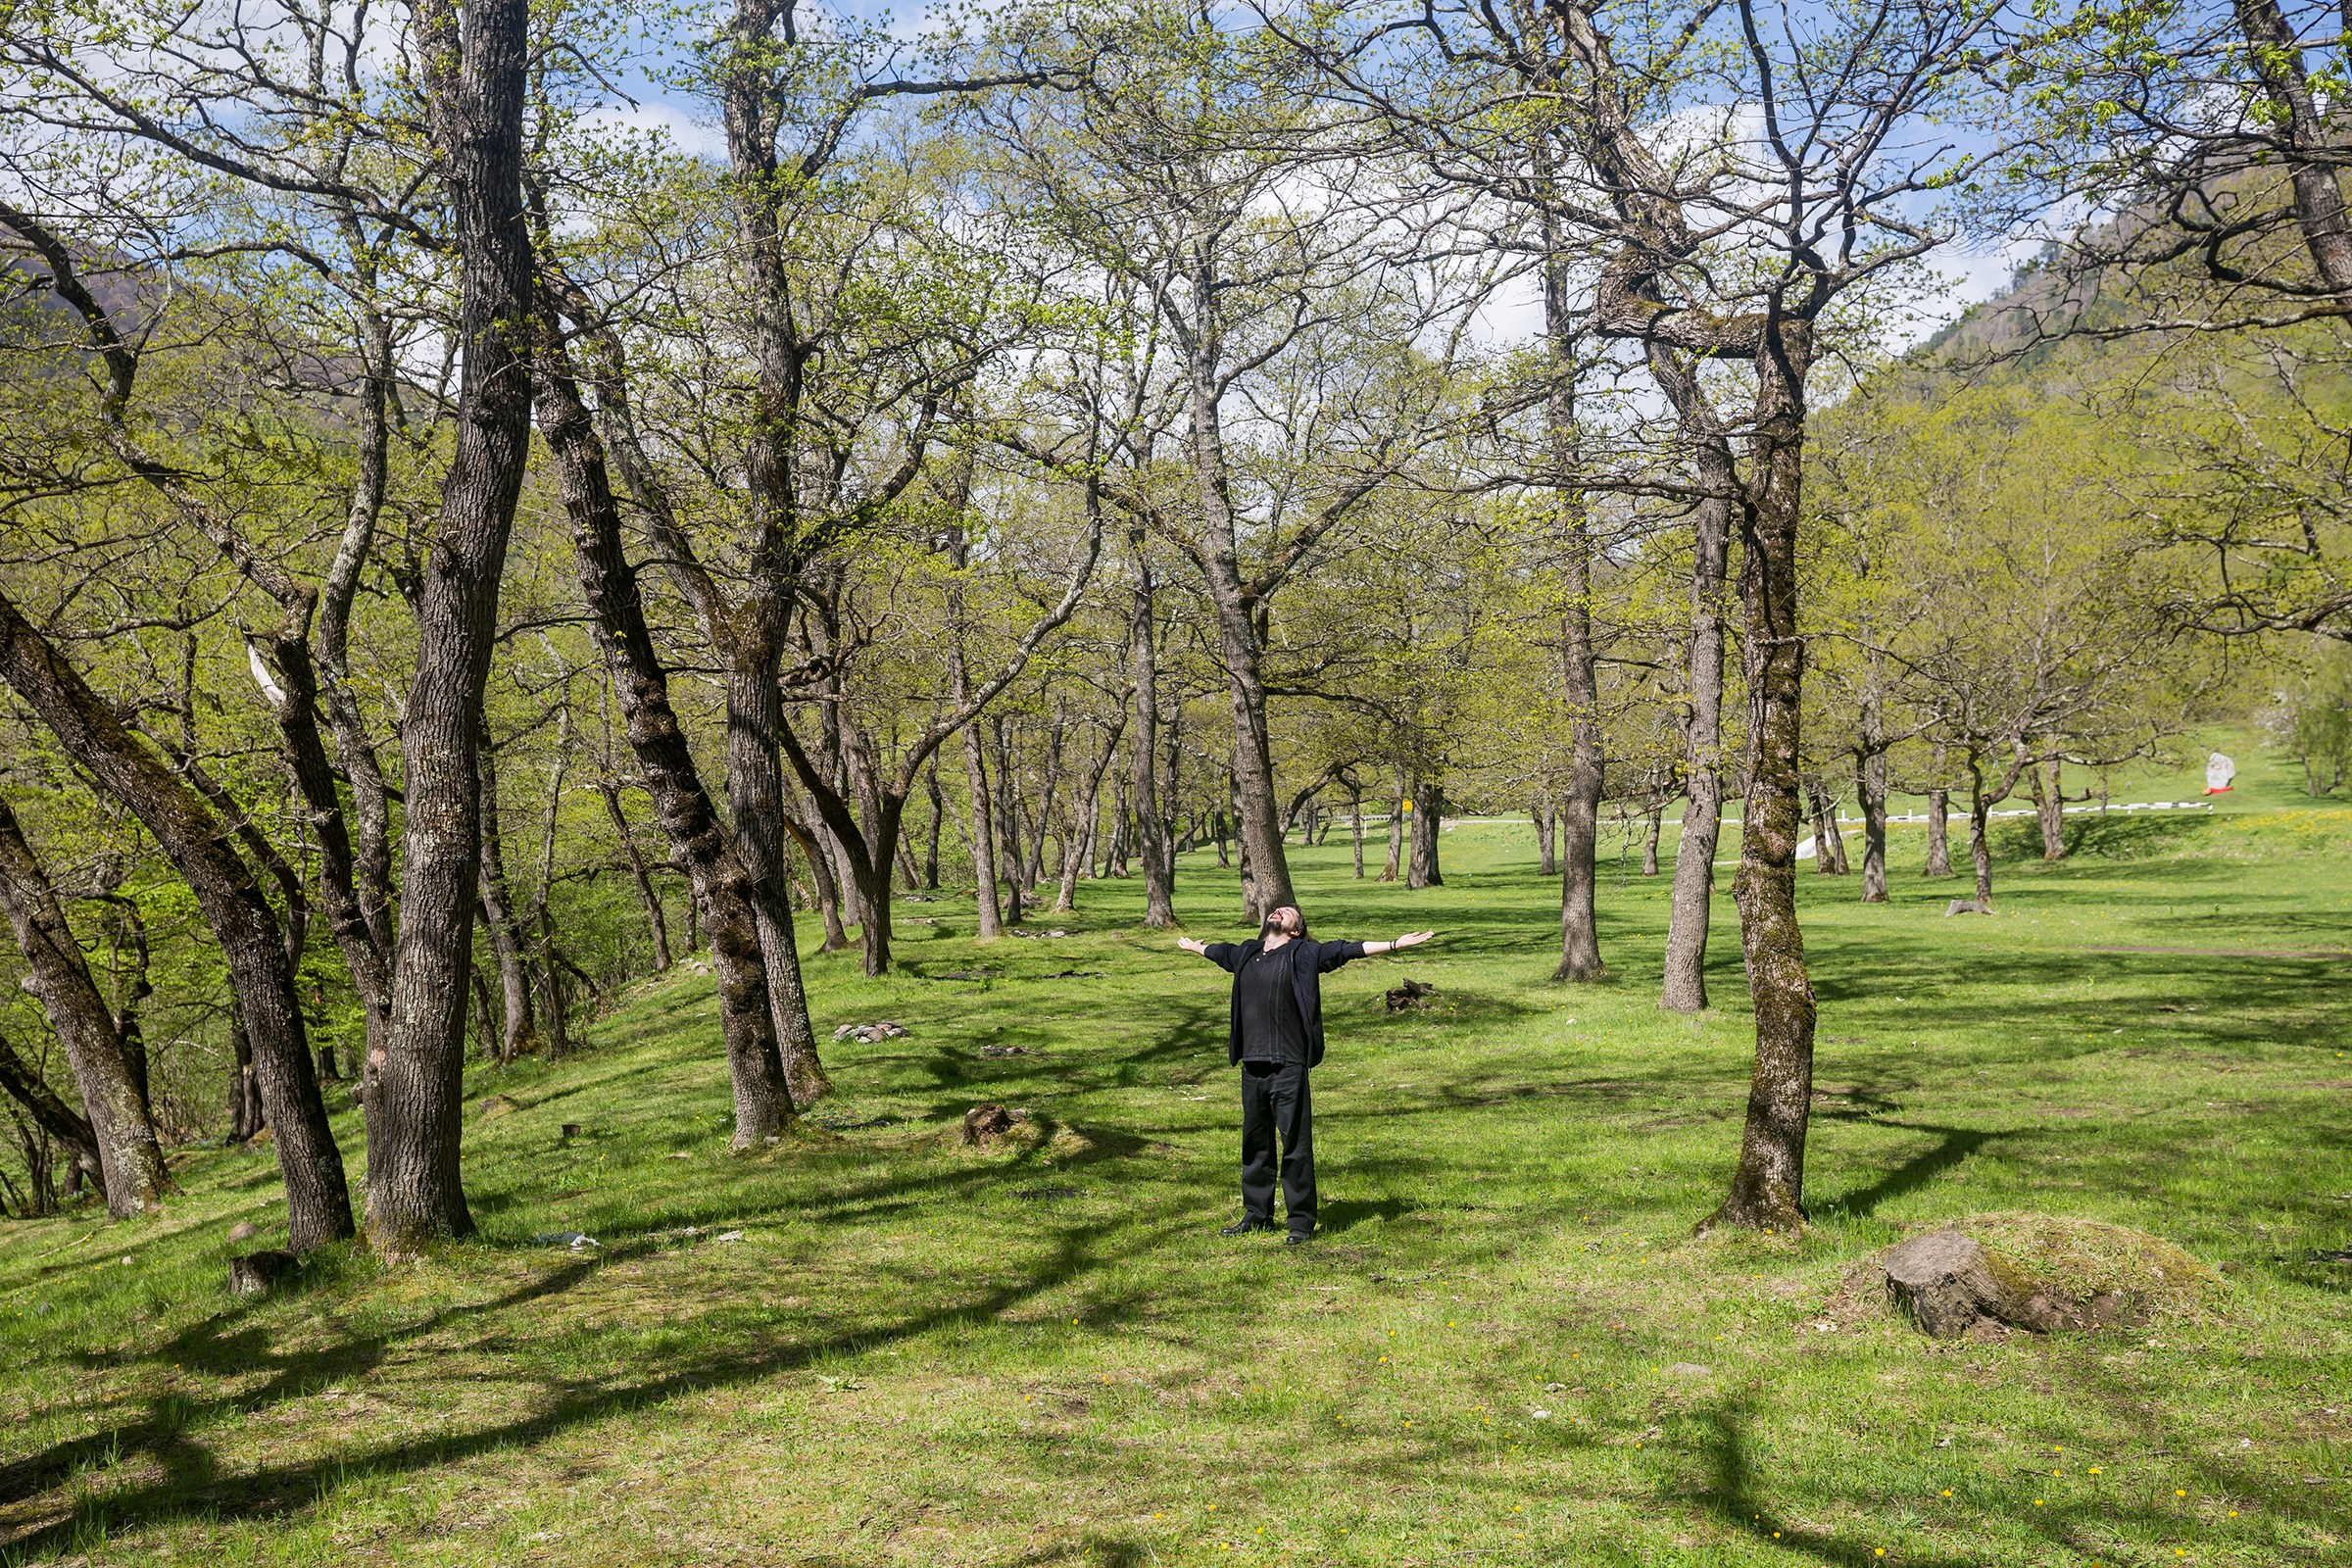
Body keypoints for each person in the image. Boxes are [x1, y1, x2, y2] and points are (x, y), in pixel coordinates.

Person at [1178, 906, 1435, 1244]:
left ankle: (1300, 1223)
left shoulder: (1304, 954)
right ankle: (1257, 1215)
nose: (1280, 911)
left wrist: (1394, 944)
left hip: (1288, 1064)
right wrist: (1197, 947)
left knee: (1295, 1146)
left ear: (1295, 930)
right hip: (1252, 1064)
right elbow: (1221, 952)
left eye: (1288, 912)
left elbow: (1345, 950)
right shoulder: (1248, 952)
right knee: (1255, 1145)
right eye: (1278, 909)